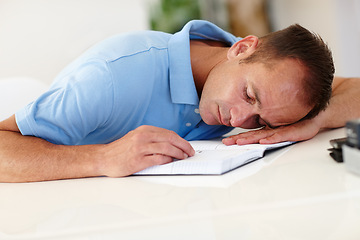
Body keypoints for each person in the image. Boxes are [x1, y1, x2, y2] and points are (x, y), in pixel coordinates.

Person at [0, 20, 358, 183]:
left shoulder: (268, 76)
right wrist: (102, 156)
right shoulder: (110, 76)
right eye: (249, 96)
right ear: (242, 47)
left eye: (262, 121)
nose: (240, 117)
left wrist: (311, 121)